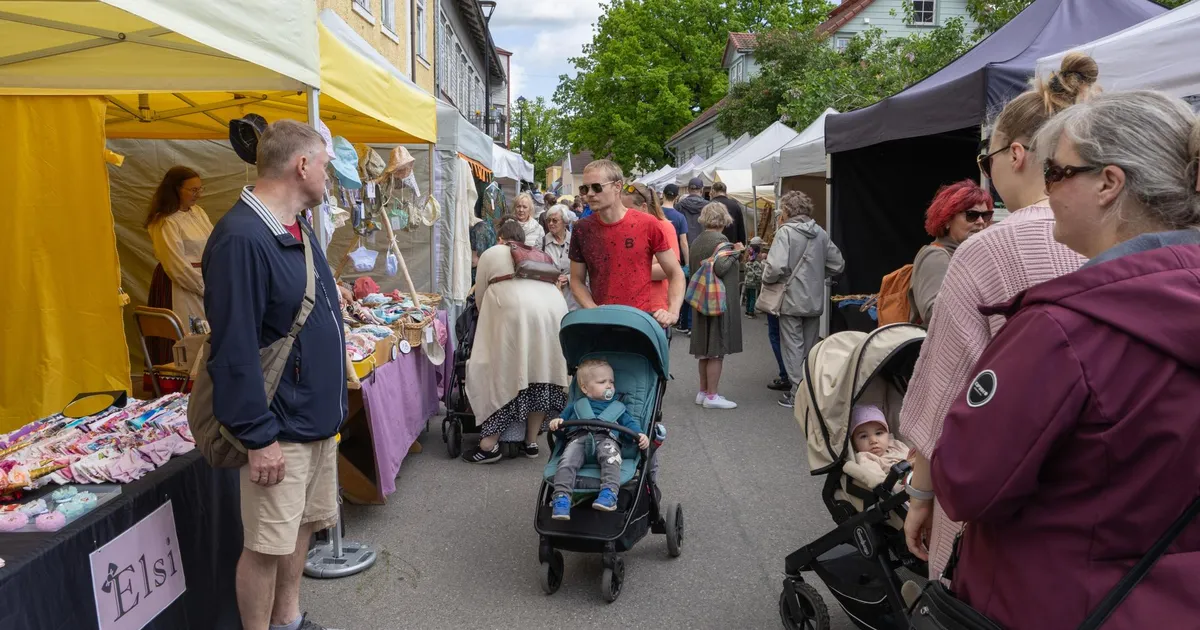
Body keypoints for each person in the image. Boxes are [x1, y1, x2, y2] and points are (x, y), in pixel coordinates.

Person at [930, 89, 1200, 628]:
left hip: (1060, 601)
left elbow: (966, 481)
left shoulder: (1065, 329)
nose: (1045, 190)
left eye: (1055, 172)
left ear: (1108, 183)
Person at [901, 53, 1096, 580]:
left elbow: (947, 390)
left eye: (985, 164)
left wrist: (922, 494)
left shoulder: (988, 251)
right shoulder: (1124, 235)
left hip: (1011, 494)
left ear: (1016, 154)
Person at [202, 120, 344, 630]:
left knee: (301, 527)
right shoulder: (241, 238)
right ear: (302, 165)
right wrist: (259, 437)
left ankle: (288, 620)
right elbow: (233, 350)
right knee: (266, 545)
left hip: (312, 418)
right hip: (279, 426)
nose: (328, 176)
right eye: (325, 165)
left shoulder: (295, 225)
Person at [463, 217, 569, 464]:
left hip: (516, 314)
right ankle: (531, 442)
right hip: (554, 313)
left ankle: (489, 445)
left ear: (501, 238)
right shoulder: (540, 255)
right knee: (541, 375)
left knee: (506, 376)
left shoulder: (493, 252)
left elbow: (480, 297)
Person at [568, 159, 685, 327]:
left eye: (597, 187)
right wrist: (593, 310)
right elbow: (576, 280)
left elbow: (675, 272)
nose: (590, 194)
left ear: (617, 186)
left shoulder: (648, 224)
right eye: (584, 188)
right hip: (601, 325)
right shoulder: (582, 229)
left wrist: (673, 312)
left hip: (640, 324)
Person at [763, 191, 844, 408]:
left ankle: (797, 393)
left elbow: (775, 268)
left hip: (790, 298)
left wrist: (767, 277)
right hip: (814, 299)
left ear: (787, 210)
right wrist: (816, 275)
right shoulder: (820, 233)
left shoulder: (785, 233)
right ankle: (811, 390)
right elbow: (838, 264)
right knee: (810, 348)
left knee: (792, 347)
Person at [548, 358, 649, 519]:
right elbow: (562, 430)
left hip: (607, 439)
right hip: (579, 439)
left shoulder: (618, 408)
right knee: (566, 462)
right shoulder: (576, 406)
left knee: (611, 459)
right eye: (602, 382)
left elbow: (630, 425)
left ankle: (609, 494)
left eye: (611, 382)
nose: (609, 386)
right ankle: (561, 498)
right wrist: (557, 424)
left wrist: (640, 435)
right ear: (585, 388)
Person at [146, 166, 212, 364]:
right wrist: (203, 286)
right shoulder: (165, 221)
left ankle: (200, 377)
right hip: (179, 285)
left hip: (204, 281)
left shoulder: (198, 213)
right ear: (175, 189)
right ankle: (180, 379)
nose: (198, 195)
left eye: (200, 189)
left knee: (204, 332)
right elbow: (176, 265)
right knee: (185, 332)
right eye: (193, 190)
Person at [910, 181, 994, 324]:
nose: (981, 221)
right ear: (947, 220)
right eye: (971, 215)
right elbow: (933, 313)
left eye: (986, 215)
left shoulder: (968, 255)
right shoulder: (935, 256)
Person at [689, 202, 744, 410]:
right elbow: (720, 268)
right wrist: (737, 252)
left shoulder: (697, 241)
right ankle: (712, 396)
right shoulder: (722, 242)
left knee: (704, 350)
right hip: (718, 300)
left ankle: (703, 391)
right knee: (716, 350)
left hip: (701, 298)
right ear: (724, 219)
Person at [622, 182, 681, 315]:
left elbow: (669, 270)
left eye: (629, 209)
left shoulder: (664, 227)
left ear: (643, 207)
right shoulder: (625, 228)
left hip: (654, 306)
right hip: (628, 304)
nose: (624, 213)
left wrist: (630, 270)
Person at [673, 177, 709, 334]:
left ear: (688, 189)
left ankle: (684, 323)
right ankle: (695, 325)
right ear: (701, 190)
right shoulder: (708, 207)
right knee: (700, 286)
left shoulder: (679, 206)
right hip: (703, 249)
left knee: (684, 286)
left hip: (684, 250)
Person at [843, 405, 909, 490]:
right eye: (864, 436)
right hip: (904, 489)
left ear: (888, 434)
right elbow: (882, 481)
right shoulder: (865, 458)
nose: (873, 441)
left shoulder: (896, 444)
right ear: (853, 443)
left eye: (878, 433)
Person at [541, 205, 578, 311]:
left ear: (564, 222)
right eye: (548, 221)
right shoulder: (541, 242)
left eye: (555, 220)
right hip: (550, 298)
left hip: (573, 299)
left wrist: (568, 278)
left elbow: (586, 272)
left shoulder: (575, 241)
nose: (550, 223)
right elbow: (537, 270)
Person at [661, 184, 691, 268]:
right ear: (676, 197)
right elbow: (683, 242)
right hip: (673, 258)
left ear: (663, 194)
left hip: (655, 257)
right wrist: (687, 263)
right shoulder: (680, 217)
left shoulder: (653, 213)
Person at [710, 181, 747, 246]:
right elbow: (741, 228)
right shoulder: (735, 205)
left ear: (713, 191)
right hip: (732, 245)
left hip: (714, 246)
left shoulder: (709, 206)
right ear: (725, 192)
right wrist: (742, 244)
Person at [744, 237, 764, 317]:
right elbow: (758, 274)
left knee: (748, 297)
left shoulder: (747, 263)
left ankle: (747, 311)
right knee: (753, 298)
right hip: (753, 283)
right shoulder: (757, 264)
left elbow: (745, 272)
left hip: (747, 282)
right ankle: (751, 312)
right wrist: (760, 281)